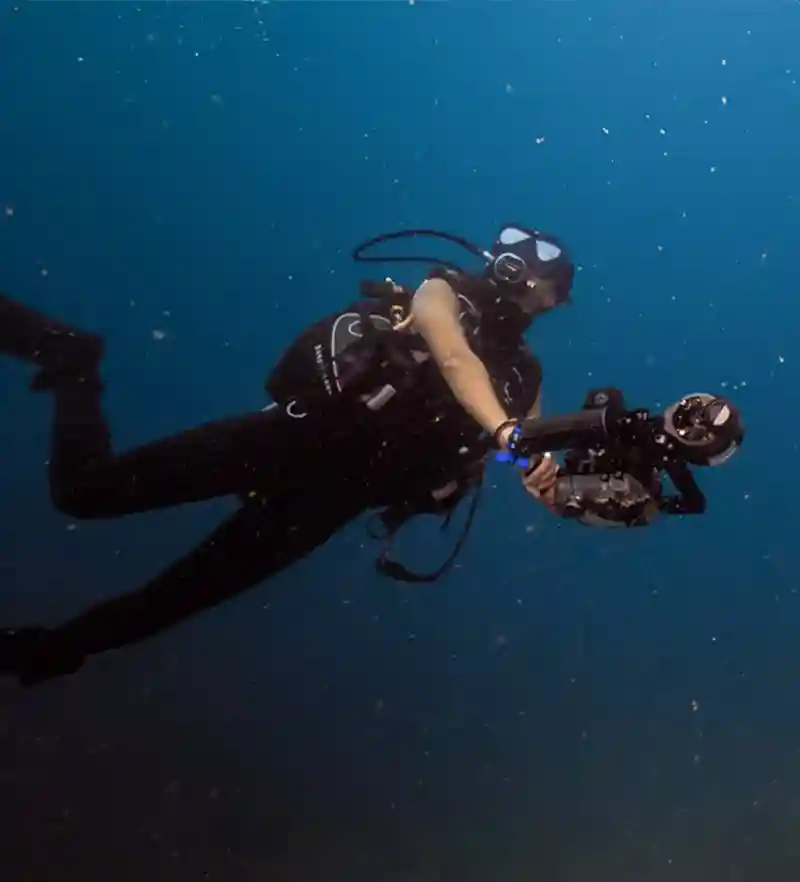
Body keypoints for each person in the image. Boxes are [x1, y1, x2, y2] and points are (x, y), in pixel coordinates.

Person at [0, 223, 575, 686]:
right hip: (285, 440)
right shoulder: (439, 292)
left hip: (331, 501)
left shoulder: (524, 376)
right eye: (527, 272)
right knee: (85, 491)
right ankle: (72, 358)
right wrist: (507, 434)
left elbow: (526, 454)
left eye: (548, 290)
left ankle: (44, 650)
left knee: (172, 601)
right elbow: (455, 360)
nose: (532, 294)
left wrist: (543, 479)